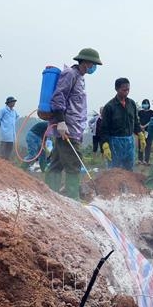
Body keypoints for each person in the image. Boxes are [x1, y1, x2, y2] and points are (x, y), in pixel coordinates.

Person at [45, 47, 102, 199]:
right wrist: (61, 123)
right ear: (86, 62)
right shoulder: (70, 74)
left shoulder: (80, 77)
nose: (94, 67)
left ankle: (49, 195)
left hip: (73, 128)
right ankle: (73, 200)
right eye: (93, 64)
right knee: (74, 165)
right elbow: (58, 98)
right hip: (67, 129)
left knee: (56, 164)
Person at [100, 78, 144, 171]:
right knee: (114, 170)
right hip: (115, 142)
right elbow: (104, 128)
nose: (126, 92)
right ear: (117, 89)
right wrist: (105, 144)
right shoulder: (109, 106)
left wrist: (140, 134)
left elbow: (135, 121)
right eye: (124, 90)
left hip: (129, 141)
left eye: (128, 89)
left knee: (129, 169)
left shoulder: (131, 103)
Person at [0, 96, 20, 160]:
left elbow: (17, 117)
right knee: (3, 145)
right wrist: (3, 126)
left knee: (10, 147)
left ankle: (7, 159)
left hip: (11, 132)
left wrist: (12, 123)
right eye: (13, 102)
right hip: (5, 131)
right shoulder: (3, 110)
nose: (14, 103)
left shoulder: (14, 111)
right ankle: (1, 159)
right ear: (9, 103)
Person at [137, 99, 153, 165]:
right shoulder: (140, 112)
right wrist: (140, 126)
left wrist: (144, 126)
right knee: (140, 145)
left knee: (148, 145)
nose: (145, 104)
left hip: (149, 131)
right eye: (144, 103)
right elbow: (137, 120)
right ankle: (140, 159)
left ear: (149, 104)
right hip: (141, 131)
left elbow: (152, 121)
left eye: (146, 103)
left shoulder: (151, 112)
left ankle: (146, 160)